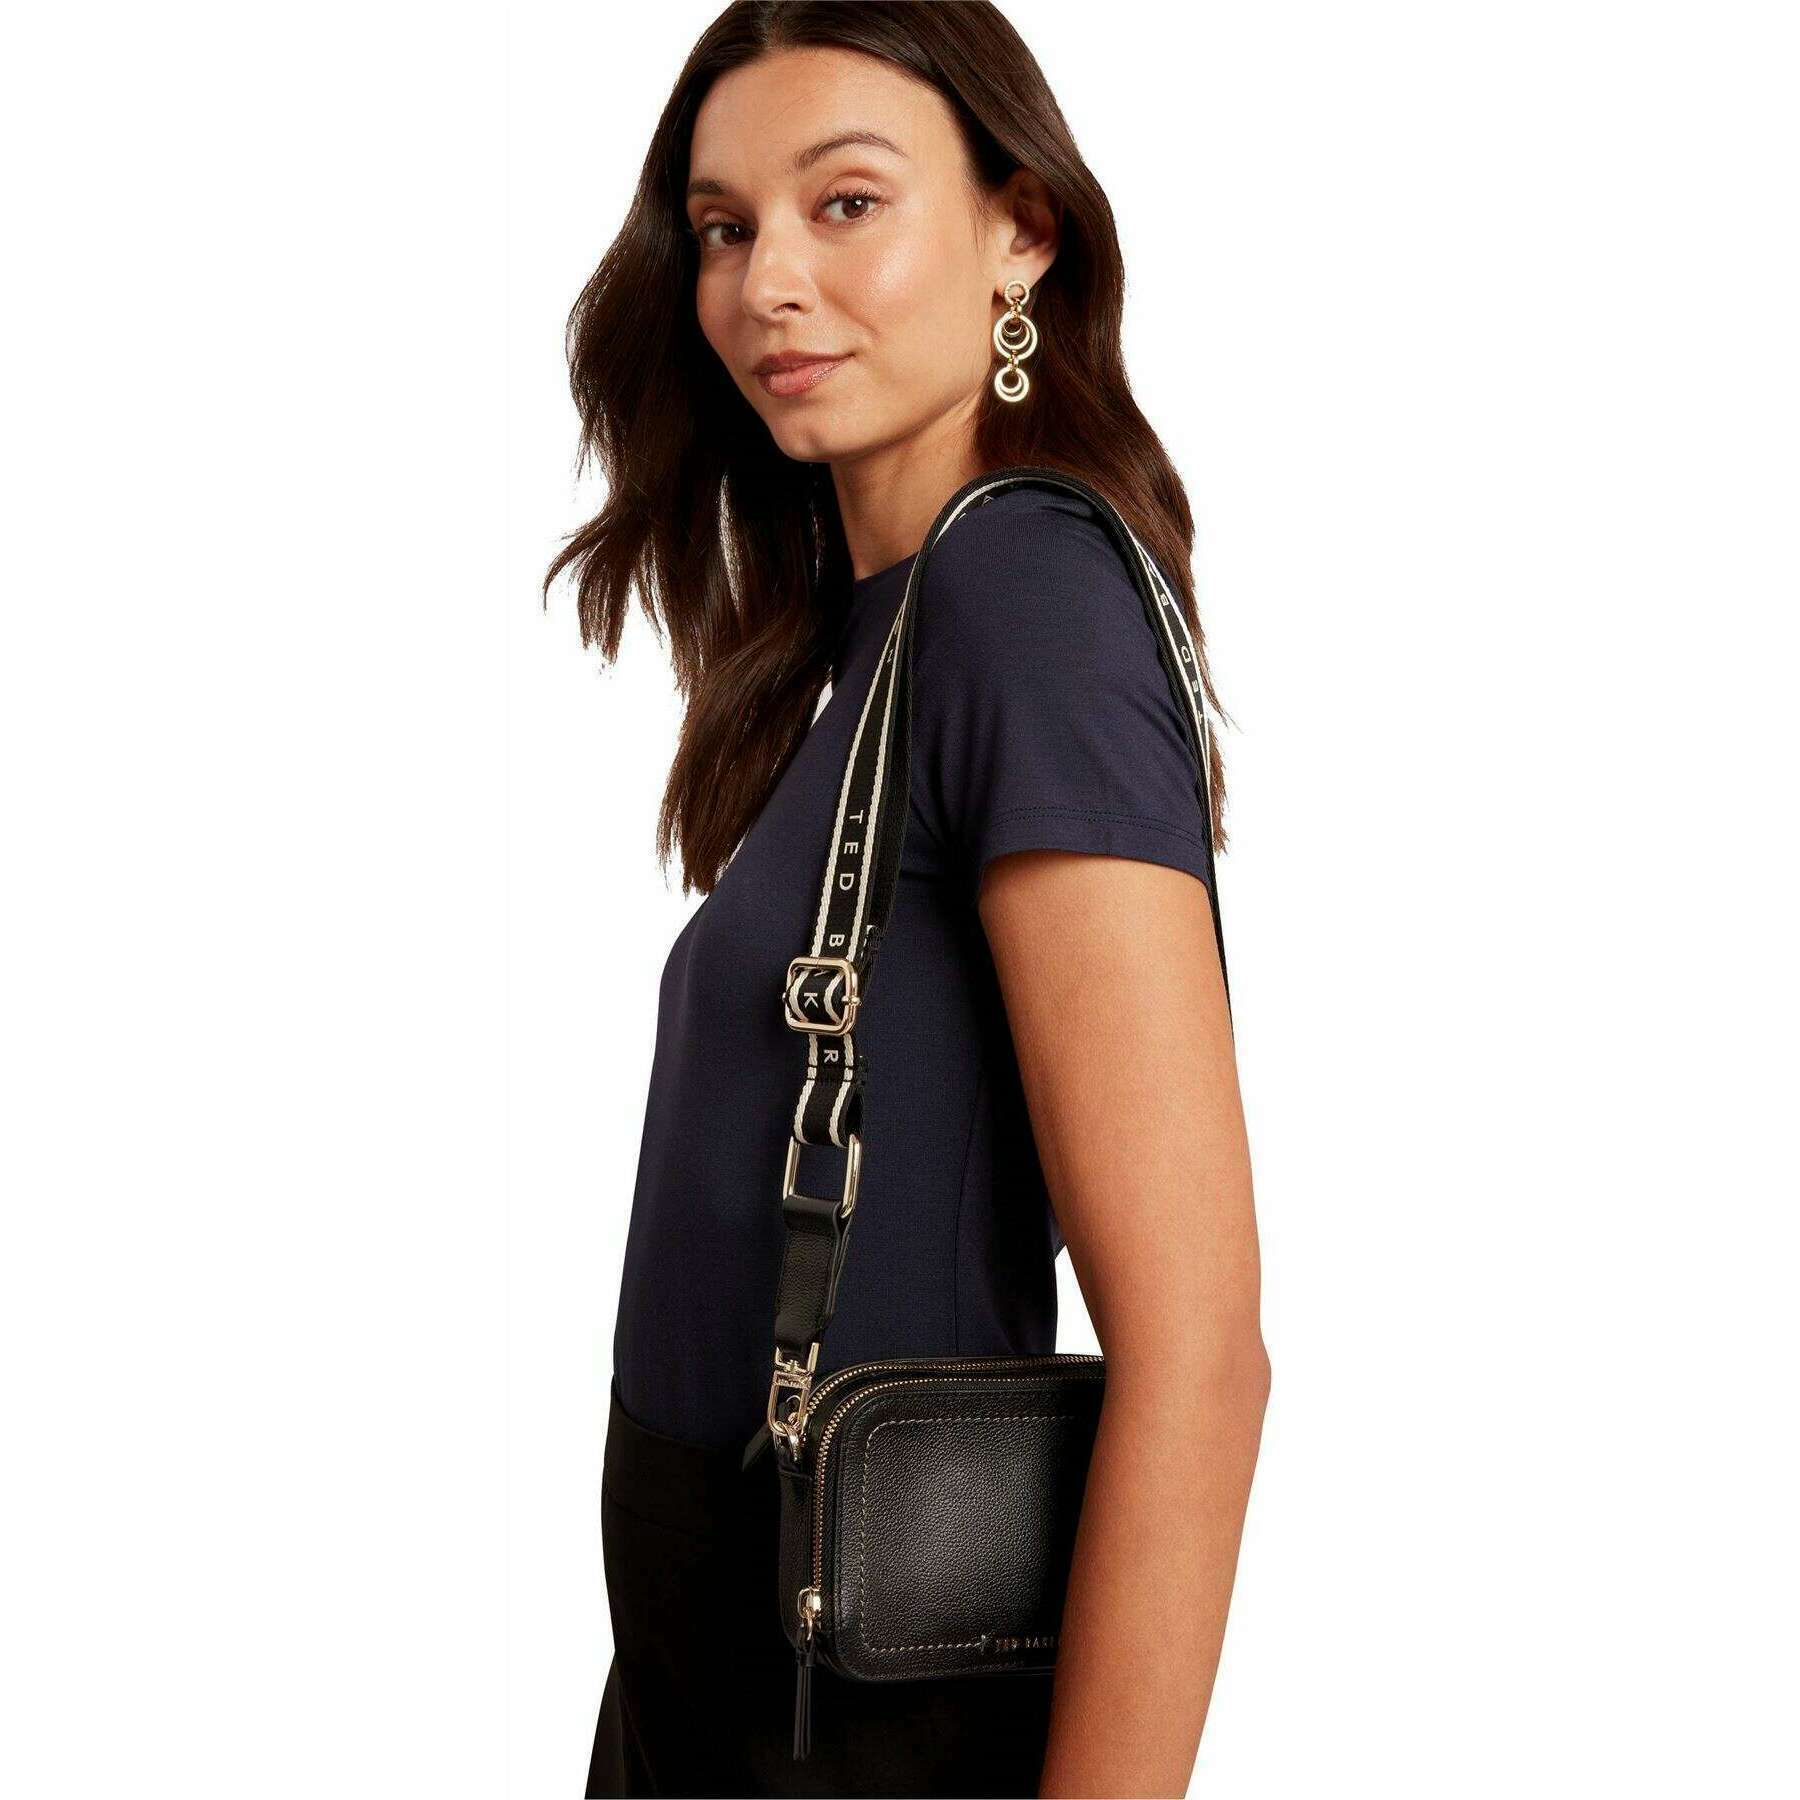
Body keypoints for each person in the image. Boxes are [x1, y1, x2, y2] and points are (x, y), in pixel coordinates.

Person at [547, 4, 1270, 1794]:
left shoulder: (1024, 600)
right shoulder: (883, 634)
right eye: (723, 228)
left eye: (846, 203)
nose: (768, 284)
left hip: (855, 1715)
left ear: (1022, 230)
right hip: (718, 1675)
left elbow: (1199, 1358)